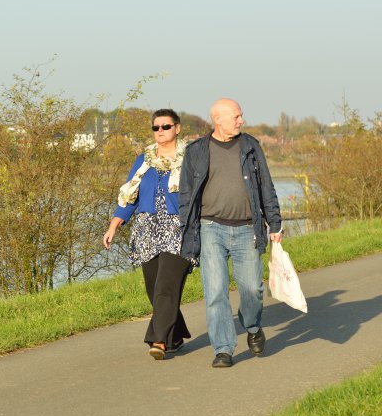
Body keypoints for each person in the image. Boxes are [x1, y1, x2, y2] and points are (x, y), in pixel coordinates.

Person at [179, 98, 282, 368]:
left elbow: (266, 186)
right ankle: (223, 349)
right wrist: (186, 228)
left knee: (252, 289)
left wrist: (275, 223)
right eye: (236, 116)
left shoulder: (251, 147)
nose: (241, 120)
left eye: (240, 116)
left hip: (248, 228)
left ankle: (252, 326)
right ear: (218, 120)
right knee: (215, 292)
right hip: (211, 228)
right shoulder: (197, 151)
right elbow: (186, 195)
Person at [103, 109, 191, 360]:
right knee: (154, 289)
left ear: (177, 128)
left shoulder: (192, 158)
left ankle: (159, 340)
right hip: (146, 232)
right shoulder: (144, 160)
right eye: (156, 127)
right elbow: (130, 195)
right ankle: (175, 336)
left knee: (166, 286)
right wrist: (114, 225)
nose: (160, 131)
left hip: (179, 230)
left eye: (166, 126)